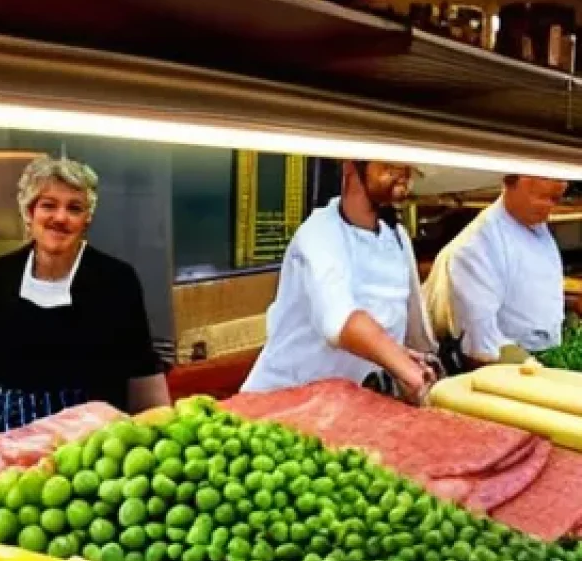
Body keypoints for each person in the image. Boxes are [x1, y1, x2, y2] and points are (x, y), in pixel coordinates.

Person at [0, 156, 169, 439]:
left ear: (87, 219)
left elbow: (141, 369)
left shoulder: (115, 280)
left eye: (74, 208)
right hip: (8, 439)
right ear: (29, 212)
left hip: (91, 444)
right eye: (48, 205)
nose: (60, 218)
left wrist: (160, 435)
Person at [243, 161, 437, 401]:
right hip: (280, 405)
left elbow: (405, 329)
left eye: (408, 166)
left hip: (343, 409)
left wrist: (406, 359)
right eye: (391, 164)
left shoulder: (397, 239)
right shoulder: (319, 232)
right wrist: (405, 369)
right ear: (350, 166)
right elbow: (342, 321)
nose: (404, 173)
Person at [423, 175, 568, 368]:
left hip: (543, 355)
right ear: (510, 184)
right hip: (506, 366)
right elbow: (479, 343)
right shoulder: (476, 246)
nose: (548, 206)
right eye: (541, 196)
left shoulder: (536, 227)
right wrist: (529, 367)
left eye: (555, 199)